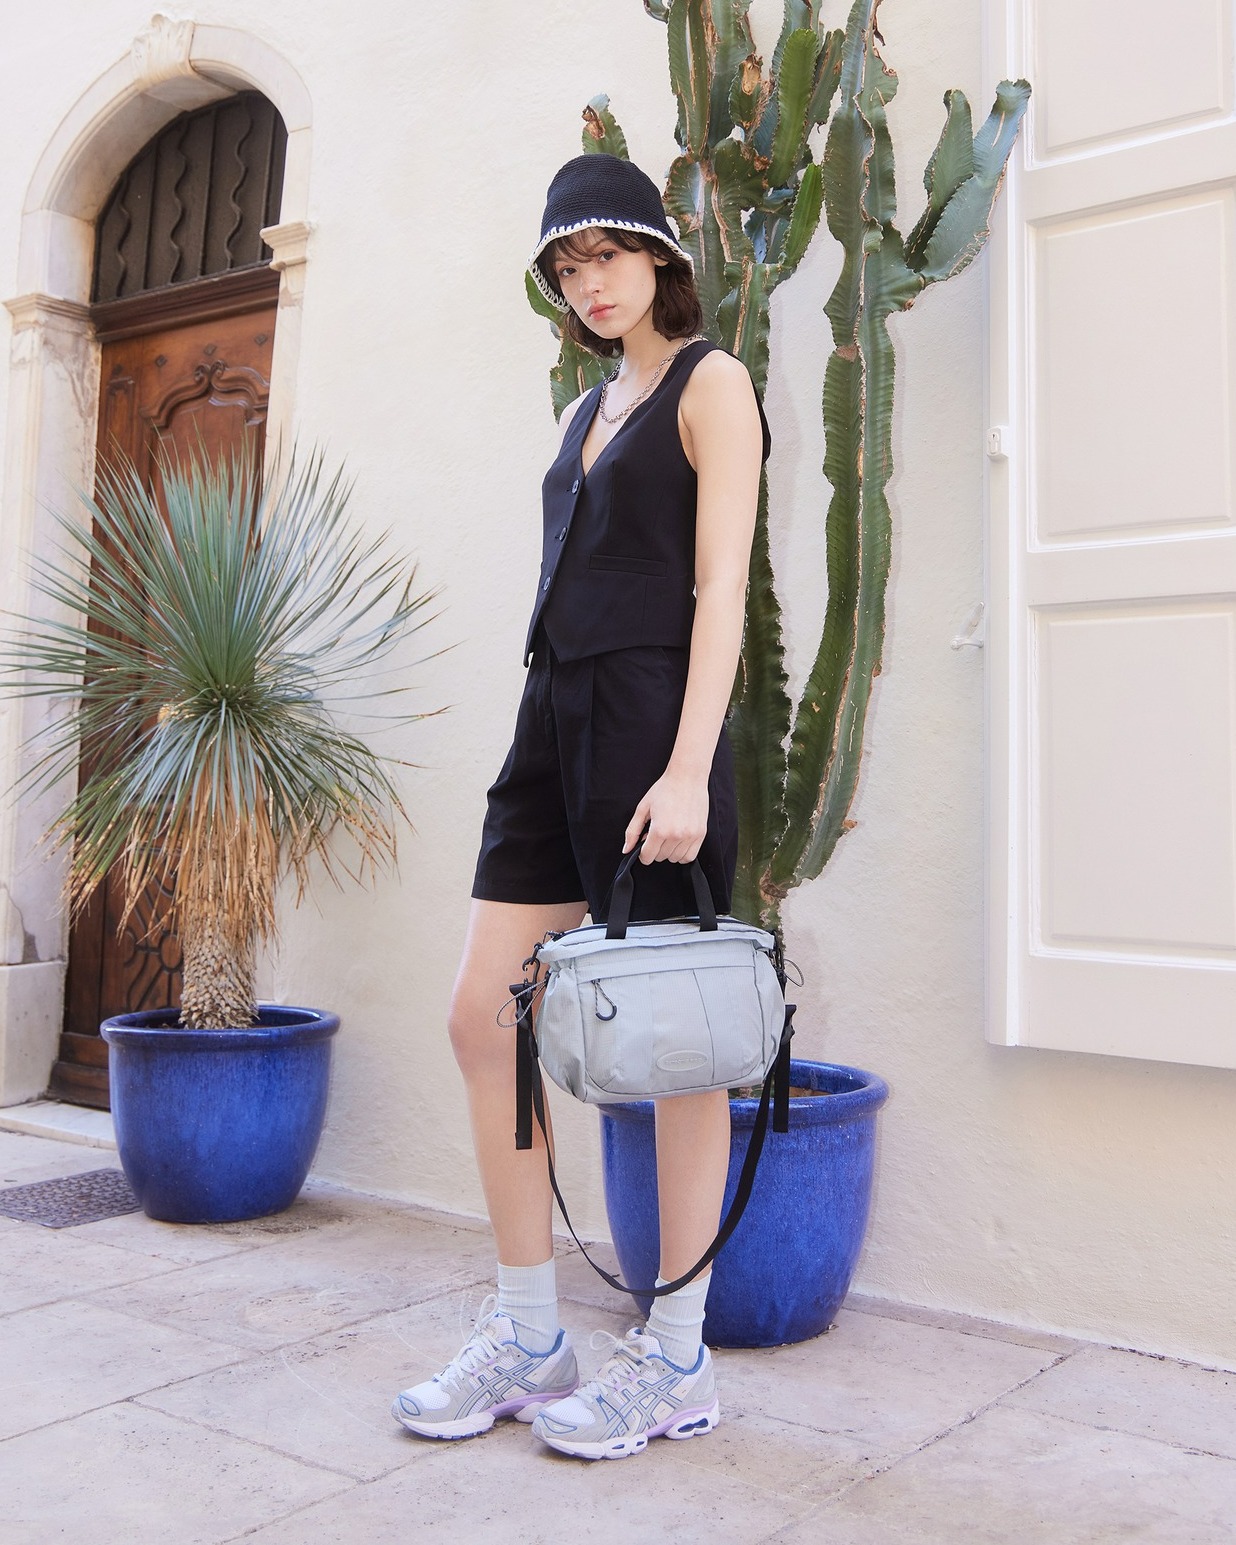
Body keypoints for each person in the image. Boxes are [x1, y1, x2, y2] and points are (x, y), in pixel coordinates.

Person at [391, 152, 769, 1461]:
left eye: (605, 254)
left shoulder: (712, 384)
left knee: (675, 1043)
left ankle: (676, 1357)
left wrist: (688, 765)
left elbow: (724, 587)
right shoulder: (584, 410)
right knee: (481, 1013)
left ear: (658, 254)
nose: (588, 282)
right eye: (566, 266)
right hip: (551, 721)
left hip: (655, 725)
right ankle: (528, 1330)